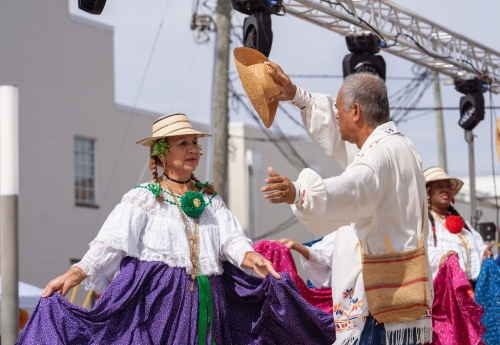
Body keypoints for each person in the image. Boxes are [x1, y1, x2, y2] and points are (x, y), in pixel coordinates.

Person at [17, 113, 336, 345]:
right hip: (158, 302)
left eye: (195, 143)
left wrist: (252, 258)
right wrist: (74, 274)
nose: (193, 149)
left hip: (209, 301)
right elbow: (109, 244)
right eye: (183, 143)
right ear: (161, 153)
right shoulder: (142, 199)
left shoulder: (210, 200)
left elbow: (231, 240)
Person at [259, 67, 433, 345]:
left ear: (355, 111)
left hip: (377, 308)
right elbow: (351, 153)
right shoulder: (400, 146)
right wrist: (298, 97)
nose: (335, 114)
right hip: (400, 301)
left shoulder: (379, 157)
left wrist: (299, 193)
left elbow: (353, 187)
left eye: (338, 108)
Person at [424, 166, 494, 288]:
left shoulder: (462, 222)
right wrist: (442, 258)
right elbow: (424, 249)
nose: (445, 190)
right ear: (427, 192)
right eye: (439, 186)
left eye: (448, 186)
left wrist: (483, 252)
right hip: (442, 288)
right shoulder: (424, 221)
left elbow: (476, 242)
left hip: (469, 285)